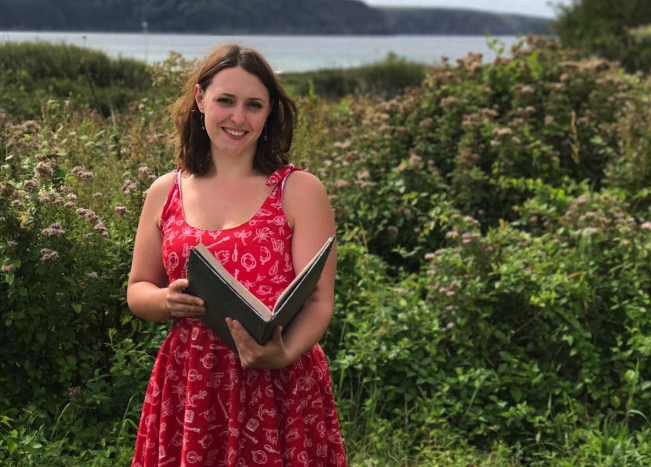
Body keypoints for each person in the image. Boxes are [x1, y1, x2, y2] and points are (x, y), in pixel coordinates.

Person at [127, 44, 346, 467]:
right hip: (191, 382)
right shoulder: (164, 191)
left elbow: (319, 300)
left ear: (269, 114)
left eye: (253, 105)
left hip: (280, 378)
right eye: (225, 100)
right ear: (200, 99)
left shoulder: (298, 190)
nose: (237, 117)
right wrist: (165, 301)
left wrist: (282, 354)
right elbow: (138, 289)